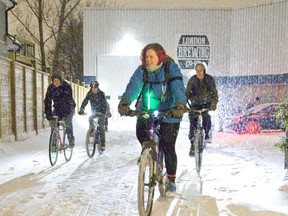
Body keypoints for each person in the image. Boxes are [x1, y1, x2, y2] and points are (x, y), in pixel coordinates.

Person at [118, 43, 187, 193]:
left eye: (151, 56)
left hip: (170, 110)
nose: (148, 60)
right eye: (146, 57)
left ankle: (171, 179)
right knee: (140, 130)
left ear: (159, 57)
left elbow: (177, 87)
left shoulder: (170, 67)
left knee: (168, 145)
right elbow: (133, 86)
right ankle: (148, 152)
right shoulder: (142, 70)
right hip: (147, 108)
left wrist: (180, 105)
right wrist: (125, 102)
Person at [185, 62, 218, 156]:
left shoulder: (209, 80)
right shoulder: (192, 80)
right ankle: (192, 145)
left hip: (206, 103)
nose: (199, 72)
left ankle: (207, 134)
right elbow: (186, 93)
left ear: (204, 71)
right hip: (195, 104)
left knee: (206, 117)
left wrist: (213, 104)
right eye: (197, 71)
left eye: (200, 70)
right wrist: (183, 104)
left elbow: (214, 93)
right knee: (192, 121)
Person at [44, 72, 76, 147]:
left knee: (68, 123)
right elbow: (47, 101)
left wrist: (65, 114)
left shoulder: (66, 87)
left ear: (61, 81)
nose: (56, 83)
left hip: (69, 107)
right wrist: (48, 112)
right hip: (57, 108)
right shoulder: (51, 88)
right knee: (54, 124)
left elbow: (68, 100)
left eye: (58, 81)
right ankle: (54, 142)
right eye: (54, 81)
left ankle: (71, 139)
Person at [78, 80, 108, 152]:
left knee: (100, 127)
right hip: (94, 112)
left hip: (101, 112)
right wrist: (82, 109)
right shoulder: (89, 94)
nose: (93, 89)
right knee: (90, 119)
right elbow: (85, 101)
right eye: (92, 88)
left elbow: (104, 104)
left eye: (95, 88)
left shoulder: (101, 94)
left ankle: (102, 145)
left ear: (97, 88)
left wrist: (103, 112)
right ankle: (91, 131)